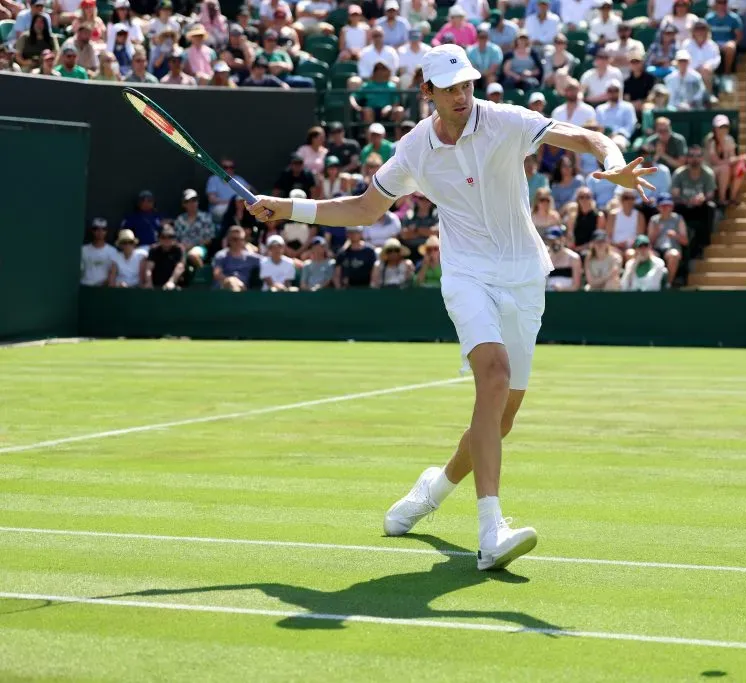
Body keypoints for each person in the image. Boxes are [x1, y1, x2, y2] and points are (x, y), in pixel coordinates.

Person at [245, 43, 655, 570]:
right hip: (466, 276)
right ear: (428, 93)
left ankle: (434, 489)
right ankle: (491, 529)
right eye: (450, 88)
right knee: (494, 377)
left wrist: (613, 162)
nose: (462, 96)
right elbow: (365, 208)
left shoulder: (506, 120)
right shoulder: (414, 148)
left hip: (524, 275)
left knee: (501, 418)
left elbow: (586, 137)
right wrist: (288, 208)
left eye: (467, 85)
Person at [704, 114, 745, 205]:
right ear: (714, 128)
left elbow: (732, 157)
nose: (723, 130)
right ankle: (722, 199)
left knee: (741, 168)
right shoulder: (710, 140)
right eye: (720, 127)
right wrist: (736, 159)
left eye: (725, 127)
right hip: (710, 169)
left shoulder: (729, 139)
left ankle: (732, 197)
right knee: (725, 168)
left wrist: (740, 160)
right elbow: (715, 161)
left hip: (724, 167)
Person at [646, 193, 686, 285]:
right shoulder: (653, 220)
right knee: (650, 255)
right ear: (658, 207)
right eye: (663, 206)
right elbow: (649, 243)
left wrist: (675, 235)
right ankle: (652, 284)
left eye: (668, 205)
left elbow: (685, 241)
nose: (666, 208)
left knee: (674, 255)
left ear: (672, 206)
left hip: (672, 248)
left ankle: (668, 284)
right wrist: (656, 233)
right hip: (656, 249)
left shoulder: (678, 219)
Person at [213, 225, 262, 291]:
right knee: (232, 281)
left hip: (243, 289)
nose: (238, 242)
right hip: (223, 290)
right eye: (235, 239)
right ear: (229, 240)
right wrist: (234, 281)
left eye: (241, 239)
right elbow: (217, 274)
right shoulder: (221, 255)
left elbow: (267, 261)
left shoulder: (250, 257)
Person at [143, 225, 185, 289]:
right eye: (163, 237)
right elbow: (149, 268)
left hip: (175, 287)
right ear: (159, 238)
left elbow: (180, 266)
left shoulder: (178, 249)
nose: (167, 239)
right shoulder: (154, 249)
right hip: (156, 286)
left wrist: (171, 282)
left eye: (170, 237)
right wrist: (149, 282)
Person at [606, 187, 647, 252]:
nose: (629, 201)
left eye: (632, 198)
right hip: (615, 248)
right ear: (621, 199)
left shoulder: (640, 216)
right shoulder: (613, 215)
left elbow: (640, 237)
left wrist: (631, 245)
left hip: (634, 249)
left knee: (630, 253)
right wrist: (616, 244)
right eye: (626, 198)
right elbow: (608, 236)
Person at [80, 218, 117, 286]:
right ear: (92, 231)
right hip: (85, 285)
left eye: (103, 229)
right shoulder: (83, 250)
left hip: (103, 288)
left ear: (107, 231)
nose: (100, 232)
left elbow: (113, 273)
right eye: (96, 229)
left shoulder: (113, 251)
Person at [544, 226, 581, 291]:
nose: (552, 242)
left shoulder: (574, 258)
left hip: (567, 296)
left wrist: (561, 289)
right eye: (550, 240)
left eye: (555, 239)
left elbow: (576, 286)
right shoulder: (545, 258)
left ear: (563, 239)